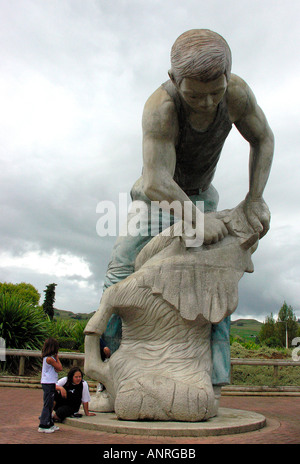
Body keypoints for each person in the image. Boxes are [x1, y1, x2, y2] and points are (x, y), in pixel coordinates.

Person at [101, 29, 274, 387]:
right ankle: (110, 376)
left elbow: (263, 138)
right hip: (156, 197)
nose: (208, 103)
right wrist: (194, 218)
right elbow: (155, 181)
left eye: (216, 92)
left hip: (202, 194)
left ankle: (214, 377)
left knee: (220, 272)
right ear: (173, 79)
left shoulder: (238, 95)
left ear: (228, 77)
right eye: (195, 94)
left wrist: (254, 197)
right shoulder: (160, 107)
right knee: (120, 273)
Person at [38, 337, 63, 433]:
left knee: (50, 403)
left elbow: (56, 369)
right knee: (47, 404)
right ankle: (43, 424)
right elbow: (60, 368)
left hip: (51, 382)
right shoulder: (49, 359)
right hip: (48, 383)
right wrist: (57, 358)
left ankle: (50, 422)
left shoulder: (49, 358)